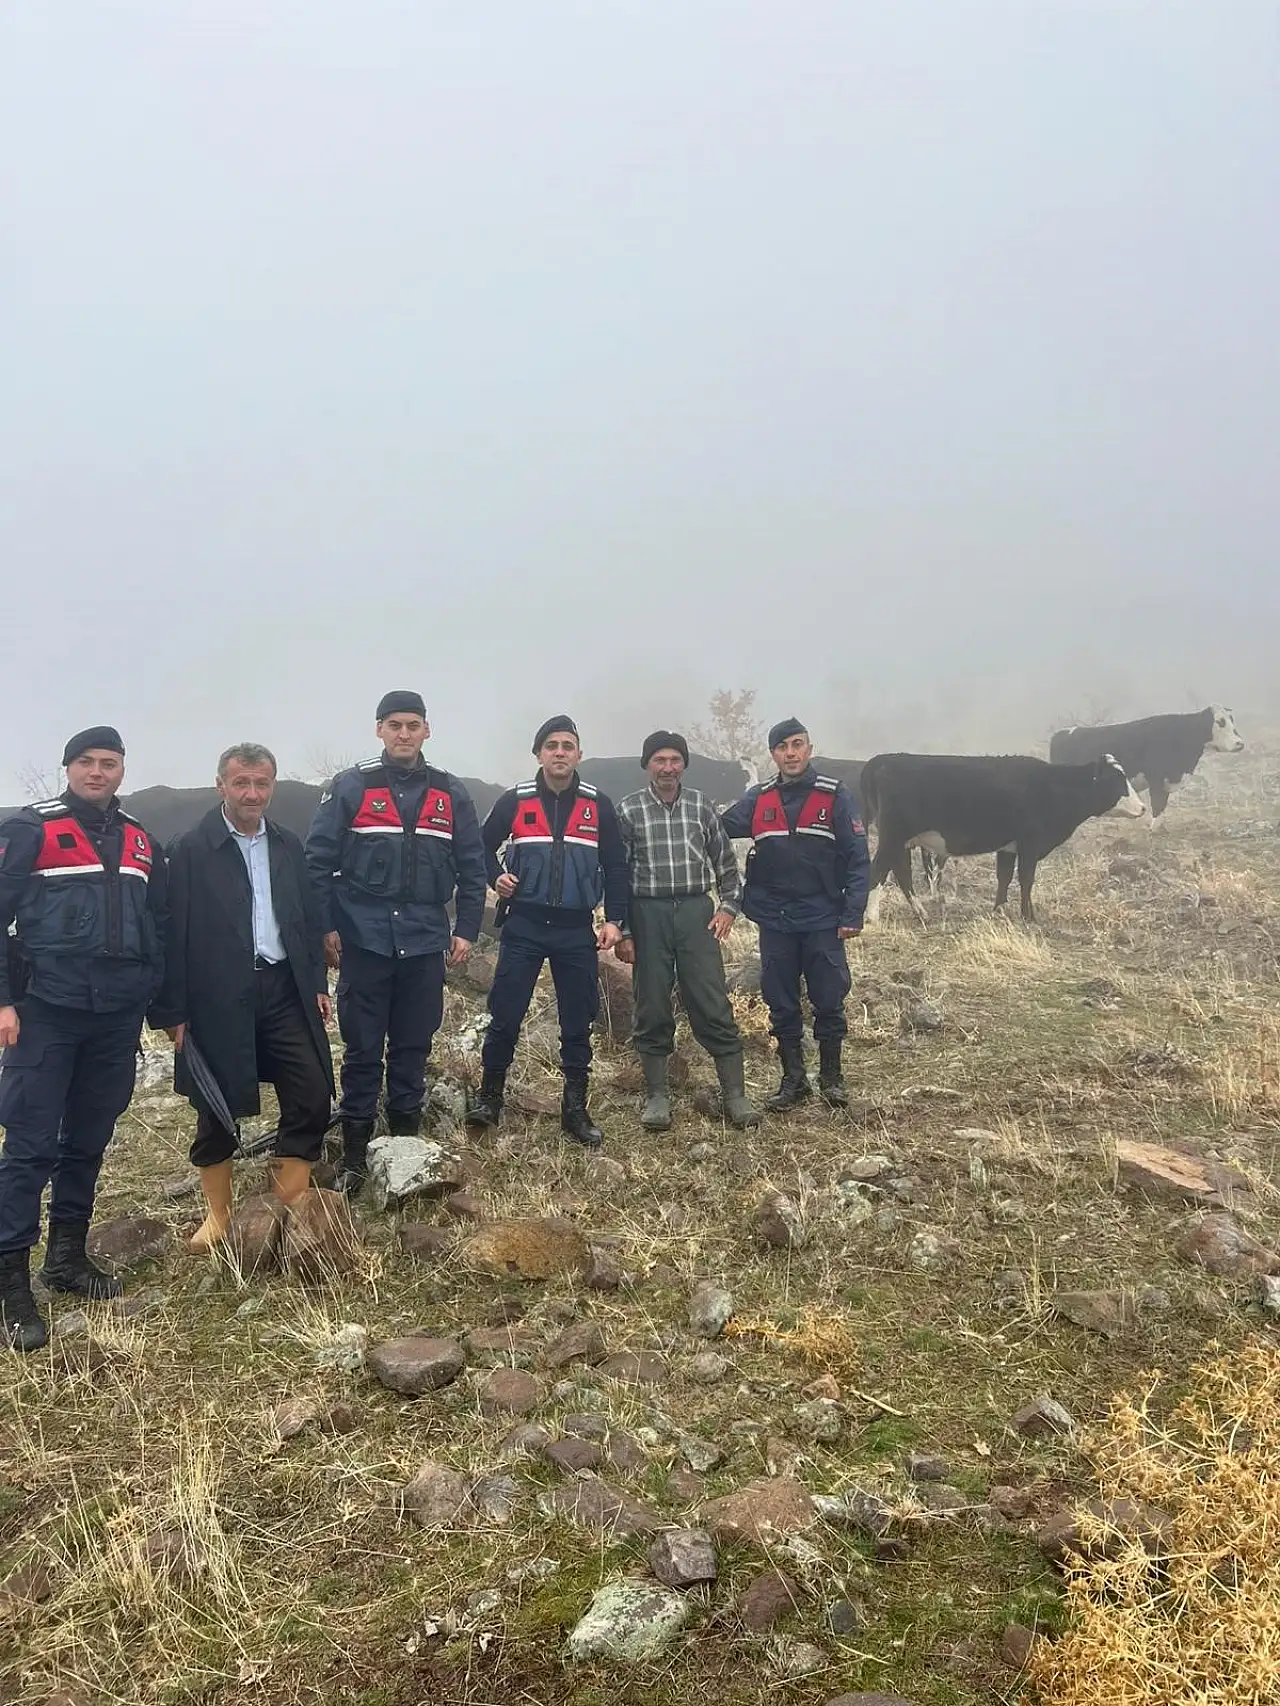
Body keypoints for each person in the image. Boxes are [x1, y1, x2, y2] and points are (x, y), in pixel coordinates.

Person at [0, 727, 167, 1351]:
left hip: (115, 1017)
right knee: (30, 1147)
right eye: (87, 762)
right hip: (46, 1012)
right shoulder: (31, 829)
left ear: (122, 769)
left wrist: (158, 1000)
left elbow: (159, 923)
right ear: (68, 767)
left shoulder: (141, 840)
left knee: (89, 1140)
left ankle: (67, 1258)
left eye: (109, 763)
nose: (98, 772)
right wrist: (3, 1000)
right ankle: (11, 1282)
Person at [152, 743, 335, 1251]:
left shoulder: (287, 844)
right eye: (241, 783)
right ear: (221, 786)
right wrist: (172, 1010)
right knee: (216, 1104)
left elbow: (304, 921)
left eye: (261, 783)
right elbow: (172, 932)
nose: (252, 794)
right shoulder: (190, 849)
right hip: (214, 993)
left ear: (271, 785)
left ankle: (282, 1205)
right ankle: (219, 1215)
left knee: (312, 1091)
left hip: (283, 987)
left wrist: (316, 984)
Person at [304, 692, 485, 1192]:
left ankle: (405, 1147)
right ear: (379, 730)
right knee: (363, 1048)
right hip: (363, 939)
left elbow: (473, 865)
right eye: (394, 725)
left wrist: (467, 928)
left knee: (412, 1045)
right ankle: (356, 1155)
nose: (404, 734)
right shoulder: (352, 786)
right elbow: (316, 862)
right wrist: (325, 926)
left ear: (427, 730)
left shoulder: (450, 793)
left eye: (412, 725)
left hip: (425, 939)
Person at [465, 715, 628, 1148]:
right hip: (525, 924)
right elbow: (480, 846)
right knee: (506, 1013)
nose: (559, 752)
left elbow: (616, 866)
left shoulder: (597, 804)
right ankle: (489, 1098)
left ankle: (575, 1110)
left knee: (577, 1020)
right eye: (551, 745)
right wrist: (496, 877)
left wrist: (615, 920)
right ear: (538, 754)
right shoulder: (515, 800)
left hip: (575, 928)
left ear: (579, 755)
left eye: (567, 746)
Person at [721, 717, 869, 1110]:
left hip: (823, 916)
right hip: (775, 919)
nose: (791, 753)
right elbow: (717, 829)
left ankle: (832, 1079)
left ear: (809, 749)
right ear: (773, 754)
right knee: (780, 1001)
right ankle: (794, 1081)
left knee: (828, 998)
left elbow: (858, 857)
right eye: (782, 747)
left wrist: (853, 913)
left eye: (797, 744)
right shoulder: (759, 798)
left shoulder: (834, 795)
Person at [615, 731, 759, 1131]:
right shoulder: (629, 810)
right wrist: (624, 930)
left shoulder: (701, 806)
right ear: (647, 765)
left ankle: (735, 1095)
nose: (668, 768)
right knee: (652, 1002)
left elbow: (726, 864)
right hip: (648, 914)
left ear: (684, 765)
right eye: (659, 760)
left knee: (711, 999)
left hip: (696, 913)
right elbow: (617, 875)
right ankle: (657, 1096)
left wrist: (728, 907)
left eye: (675, 760)